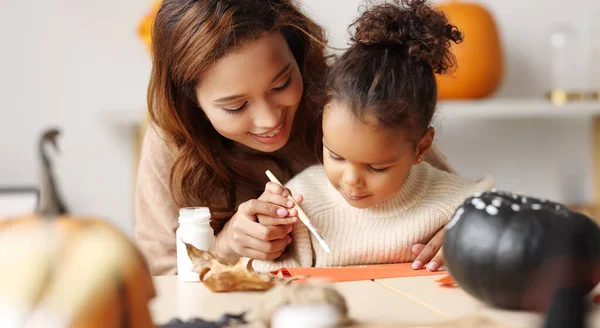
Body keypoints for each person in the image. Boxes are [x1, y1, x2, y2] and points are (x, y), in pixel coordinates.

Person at [135, 0, 458, 276]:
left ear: (297, 52)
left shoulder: (344, 102)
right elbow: (164, 278)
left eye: (281, 84)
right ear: (191, 101)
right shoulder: (172, 140)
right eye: (236, 106)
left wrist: (460, 231)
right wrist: (228, 244)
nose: (270, 119)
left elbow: (446, 193)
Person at [252, 0, 495, 272]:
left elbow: (519, 224)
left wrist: (473, 230)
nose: (351, 180)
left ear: (421, 147)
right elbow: (268, 278)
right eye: (335, 156)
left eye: (376, 167)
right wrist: (269, 240)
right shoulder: (303, 202)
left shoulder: (455, 203)